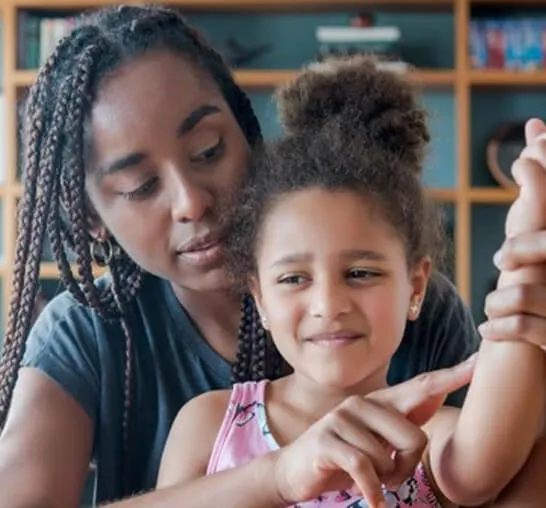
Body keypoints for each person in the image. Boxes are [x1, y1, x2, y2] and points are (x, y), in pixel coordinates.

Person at [0, 4, 545, 508]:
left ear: (246, 130)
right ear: (92, 215)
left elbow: (500, 466)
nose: (191, 202)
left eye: (209, 150)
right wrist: (278, 474)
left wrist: (524, 293)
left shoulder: (420, 319)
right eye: (141, 185)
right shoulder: (91, 338)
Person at [157, 56, 546, 508]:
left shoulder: (428, 435)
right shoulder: (209, 424)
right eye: (293, 278)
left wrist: (528, 250)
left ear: (416, 287)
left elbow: (481, 466)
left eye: (360, 273)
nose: (328, 302)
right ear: (259, 297)